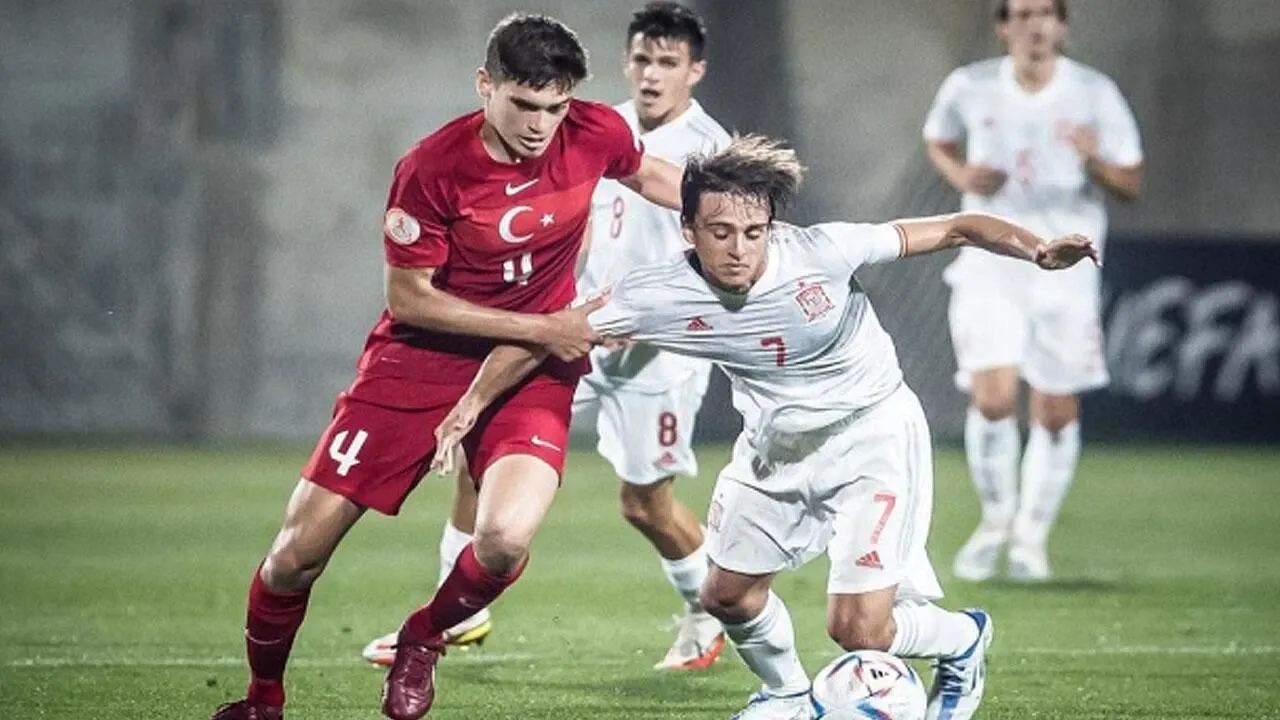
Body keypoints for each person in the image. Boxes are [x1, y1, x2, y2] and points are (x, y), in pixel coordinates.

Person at [428, 135, 1099, 720]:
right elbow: (547, 334)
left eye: (754, 232)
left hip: (872, 436)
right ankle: (787, 695)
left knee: (860, 631)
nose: (739, 249)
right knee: (726, 595)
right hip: (774, 448)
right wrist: (469, 405)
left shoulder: (823, 251)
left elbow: (956, 227)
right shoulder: (656, 293)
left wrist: (1038, 250)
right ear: (687, 229)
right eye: (720, 232)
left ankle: (963, 639)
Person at [211, 13, 688, 720]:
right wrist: (545, 326)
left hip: (531, 366)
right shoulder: (431, 168)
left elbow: (649, 175)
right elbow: (409, 299)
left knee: (505, 539)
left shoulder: (595, 131)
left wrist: (741, 214)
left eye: (555, 107)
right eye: (524, 105)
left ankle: (424, 637)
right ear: (484, 84)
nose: (541, 125)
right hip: (420, 360)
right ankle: (262, 700)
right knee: (295, 556)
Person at [360, 0, 733, 672]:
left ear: (695, 71)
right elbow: (572, 219)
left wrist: (646, 320)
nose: (651, 74)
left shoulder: (707, 153)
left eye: (668, 62)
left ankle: (708, 609)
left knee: (644, 505)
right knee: (481, 453)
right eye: (642, 59)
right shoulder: (593, 124)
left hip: (654, 354)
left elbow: (721, 256)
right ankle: (459, 614)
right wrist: (563, 300)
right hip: (571, 328)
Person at [923, 0, 1143, 583]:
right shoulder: (969, 86)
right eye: (1021, 14)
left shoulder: (1094, 93)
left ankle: (1030, 537)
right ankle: (995, 521)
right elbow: (938, 140)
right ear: (1003, 28)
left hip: (1067, 269)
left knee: (1055, 411)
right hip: (991, 263)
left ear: (1062, 25)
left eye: (1045, 13)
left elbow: (1130, 180)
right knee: (993, 398)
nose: (1035, 25)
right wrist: (962, 175)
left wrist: (1094, 162)